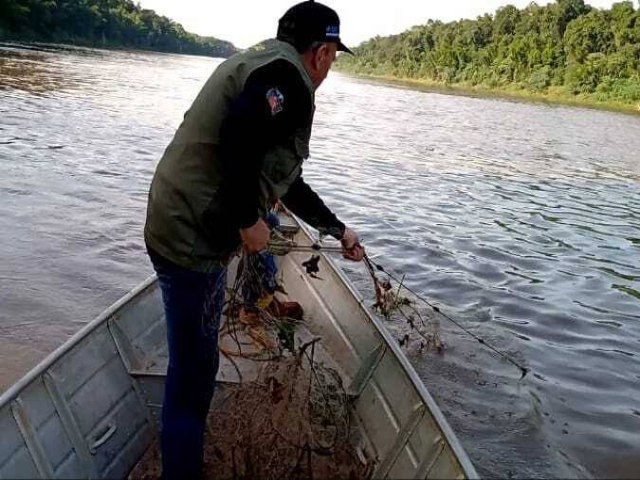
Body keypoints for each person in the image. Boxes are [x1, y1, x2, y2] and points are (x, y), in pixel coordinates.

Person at [143, 1, 364, 477]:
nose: (330, 67)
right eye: (332, 57)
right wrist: (248, 221)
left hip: (178, 215)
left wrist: (336, 229)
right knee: (195, 377)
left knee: (193, 363)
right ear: (322, 53)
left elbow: (287, 181)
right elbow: (239, 133)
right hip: (189, 233)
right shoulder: (288, 82)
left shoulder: (265, 62)